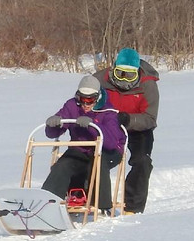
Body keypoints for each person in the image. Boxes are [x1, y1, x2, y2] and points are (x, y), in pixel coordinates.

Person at [42, 74, 125, 213]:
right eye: (82, 99)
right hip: (81, 149)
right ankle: (48, 204)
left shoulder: (108, 111)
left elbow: (111, 142)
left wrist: (93, 125)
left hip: (109, 151)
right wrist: (53, 125)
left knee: (98, 162)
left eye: (90, 100)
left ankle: (102, 205)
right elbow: (52, 133)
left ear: (97, 98)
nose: (86, 104)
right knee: (63, 165)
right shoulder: (72, 106)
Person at [92, 48, 159, 214]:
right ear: (113, 68)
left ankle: (133, 207)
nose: (123, 80)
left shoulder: (148, 85)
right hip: (108, 126)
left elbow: (150, 118)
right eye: (120, 73)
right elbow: (87, 105)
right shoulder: (99, 80)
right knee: (91, 156)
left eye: (129, 75)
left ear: (137, 73)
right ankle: (91, 198)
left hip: (137, 127)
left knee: (142, 161)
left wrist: (129, 119)